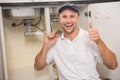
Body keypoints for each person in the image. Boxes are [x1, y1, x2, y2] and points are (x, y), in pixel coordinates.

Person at [34, 3, 118, 80]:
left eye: (72, 16)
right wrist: (45, 46)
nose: (68, 21)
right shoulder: (55, 41)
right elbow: (38, 67)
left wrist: (99, 42)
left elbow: (113, 65)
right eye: (64, 16)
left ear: (78, 18)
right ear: (59, 19)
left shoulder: (90, 38)